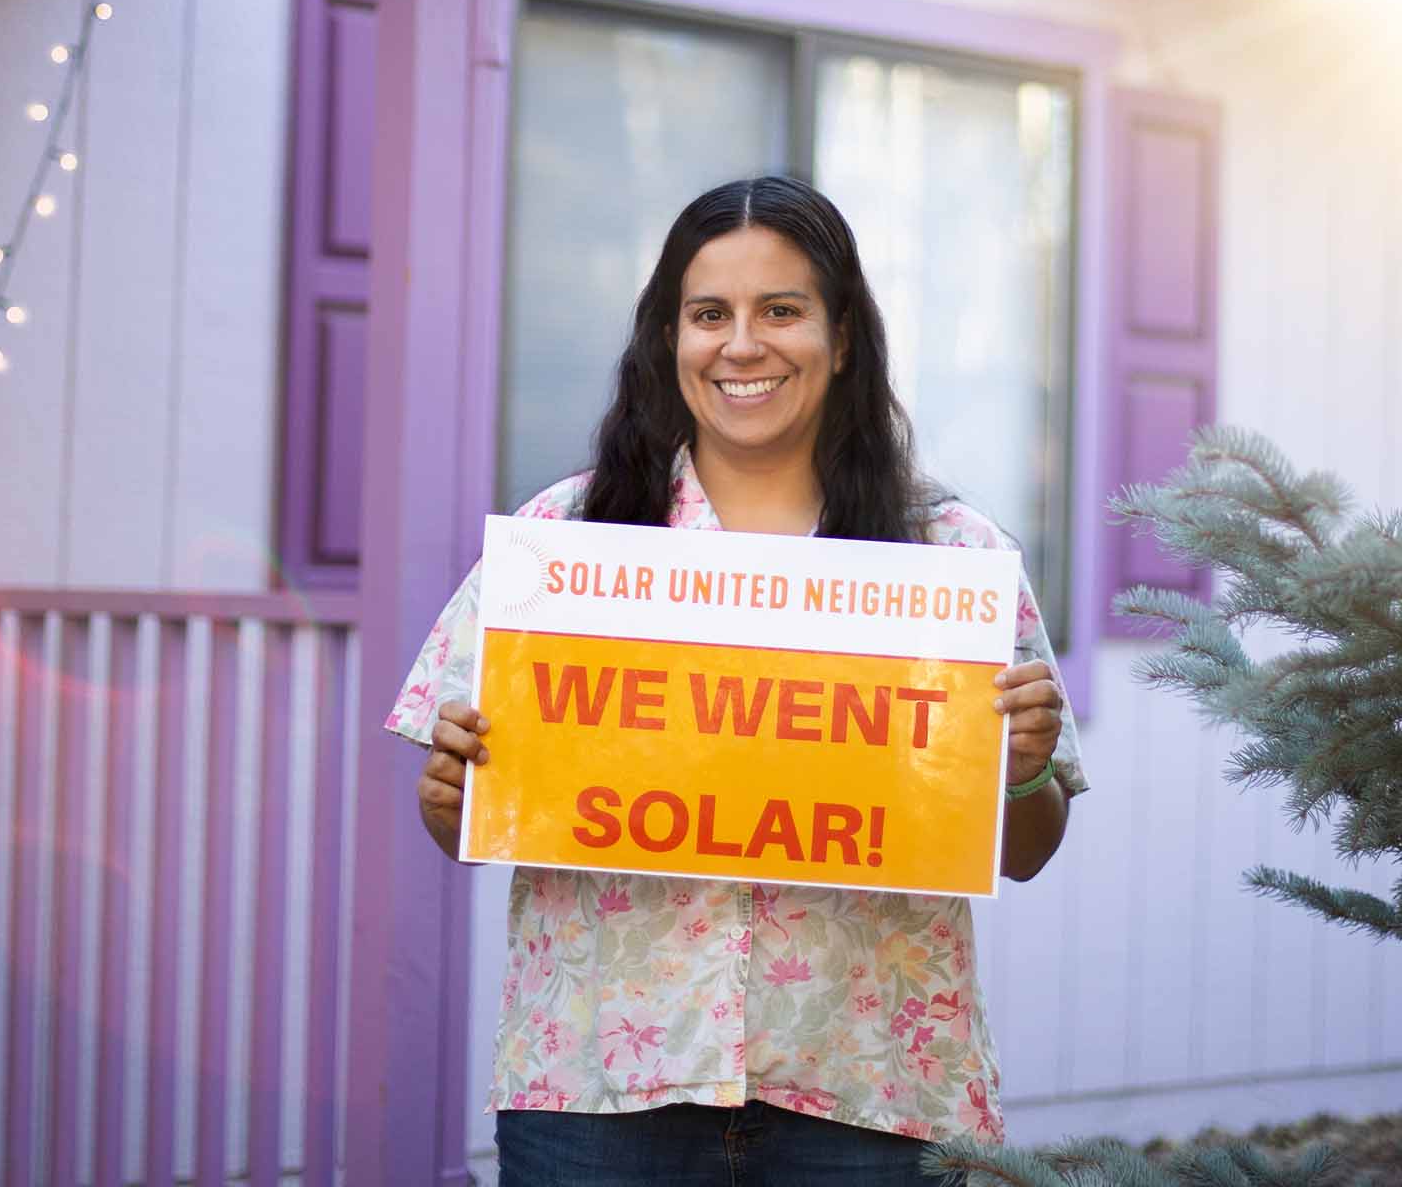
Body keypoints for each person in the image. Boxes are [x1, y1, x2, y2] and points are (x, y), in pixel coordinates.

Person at [385, 175, 1089, 1186]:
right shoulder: (563, 544)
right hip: (601, 1098)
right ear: (668, 338)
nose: (742, 345)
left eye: (782, 311)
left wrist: (1022, 770)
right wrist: (448, 794)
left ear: (842, 338)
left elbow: (1024, 851)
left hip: (866, 1096)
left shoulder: (953, 560)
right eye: (709, 314)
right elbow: (469, 821)